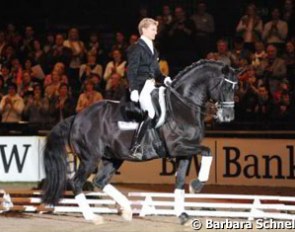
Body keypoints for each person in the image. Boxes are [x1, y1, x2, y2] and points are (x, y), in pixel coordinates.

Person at [127, 18, 171, 156]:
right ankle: (136, 146)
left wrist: (165, 79)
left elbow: (157, 72)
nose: (156, 32)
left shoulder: (154, 49)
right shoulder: (136, 47)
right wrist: (134, 89)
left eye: (156, 30)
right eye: (153, 29)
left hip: (152, 85)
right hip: (141, 86)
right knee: (151, 113)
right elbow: (132, 70)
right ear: (144, 30)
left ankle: (161, 143)